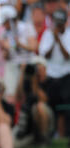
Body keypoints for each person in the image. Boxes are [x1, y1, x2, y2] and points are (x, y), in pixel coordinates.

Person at [38, 8, 70, 139]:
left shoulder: (68, 34)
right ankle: (52, 134)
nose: (58, 25)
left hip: (66, 75)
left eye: (60, 23)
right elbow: (45, 55)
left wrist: (59, 40)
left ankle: (65, 134)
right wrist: (53, 40)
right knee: (52, 105)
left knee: (66, 107)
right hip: (51, 75)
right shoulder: (47, 34)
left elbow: (67, 56)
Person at [14, 56, 55, 148]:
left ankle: (44, 139)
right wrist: (22, 73)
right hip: (29, 120)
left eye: (38, 67)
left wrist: (35, 83)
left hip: (48, 120)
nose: (37, 71)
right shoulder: (29, 81)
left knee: (39, 106)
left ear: (44, 68)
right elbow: (18, 98)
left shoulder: (51, 81)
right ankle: (33, 138)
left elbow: (44, 100)